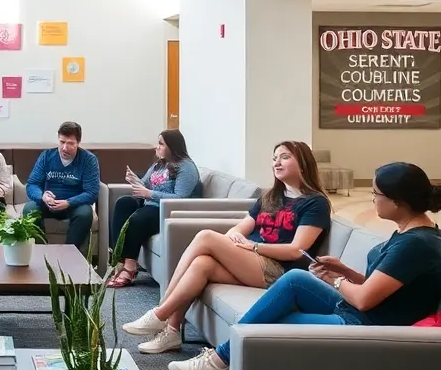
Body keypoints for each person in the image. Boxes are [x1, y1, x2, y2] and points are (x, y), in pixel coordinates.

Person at [167, 161, 441, 370]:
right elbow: (380, 286)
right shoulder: (409, 233)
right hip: (360, 311)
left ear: (398, 202)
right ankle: (221, 360)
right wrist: (343, 270)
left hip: (367, 325)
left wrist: (336, 280)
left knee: (268, 321)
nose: (373, 199)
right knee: (295, 279)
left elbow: (366, 299)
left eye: (376, 194)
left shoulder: (416, 244)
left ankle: (219, 360)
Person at [123, 141, 329, 354]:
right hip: (252, 261)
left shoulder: (315, 203)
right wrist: (236, 241)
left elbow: (297, 250)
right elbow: (238, 229)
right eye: (275, 158)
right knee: (202, 264)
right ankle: (172, 332)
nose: (277, 163)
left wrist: (254, 246)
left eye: (285, 157)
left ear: (303, 164)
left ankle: (160, 312)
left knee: (205, 237)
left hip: (280, 270)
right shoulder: (269, 197)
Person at [107, 129, 201, 288]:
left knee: (137, 219)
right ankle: (120, 260)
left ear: (172, 147)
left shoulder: (186, 167)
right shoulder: (159, 164)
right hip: (150, 204)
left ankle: (130, 268)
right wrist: (134, 180)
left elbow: (181, 198)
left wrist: (150, 194)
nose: (157, 148)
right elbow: (145, 185)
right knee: (123, 203)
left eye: (161, 144)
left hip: (167, 210)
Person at [22, 121, 100, 251]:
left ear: (78, 143)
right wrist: (42, 196)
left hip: (73, 205)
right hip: (48, 203)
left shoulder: (88, 160)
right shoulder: (46, 156)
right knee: (29, 209)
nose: (64, 148)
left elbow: (91, 193)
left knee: (85, 213)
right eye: (62, 142)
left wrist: (68, 202)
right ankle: (42, 251)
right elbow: (32, 184)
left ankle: (68, 253)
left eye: (70, 144)